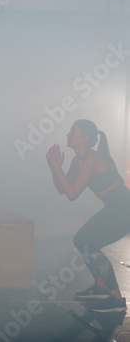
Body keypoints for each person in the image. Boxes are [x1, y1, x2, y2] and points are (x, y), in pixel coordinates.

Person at [47, 119, 130, 312]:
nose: (68, 134)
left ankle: (116, 300)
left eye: (73, 132)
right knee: (82, 241)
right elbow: (62, 188)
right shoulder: (78, 160)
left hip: (124, 210)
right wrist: (54, 168)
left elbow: (73, 194)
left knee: (88, 243)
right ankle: (101, 287)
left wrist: (57, 168)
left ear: (85, 139)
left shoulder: (92, 159)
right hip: (115, 208)